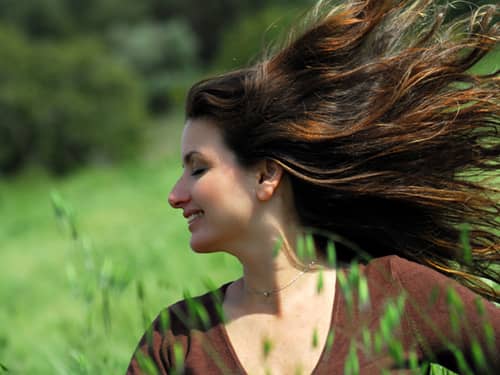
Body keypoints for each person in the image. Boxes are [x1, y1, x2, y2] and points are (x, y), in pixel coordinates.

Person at [127, 0, 500, 373]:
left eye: (198, 169)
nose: (175, 196)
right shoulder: (174, 342)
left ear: (265, 175)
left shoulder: (396, 292)